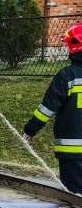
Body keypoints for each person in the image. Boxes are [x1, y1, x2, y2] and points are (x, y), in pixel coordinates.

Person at [23, 22, 82, 194]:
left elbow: (47, 109)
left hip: (72, 151)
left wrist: (30, 130)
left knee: (74, 198)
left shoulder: (67, 76)